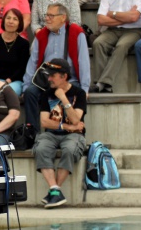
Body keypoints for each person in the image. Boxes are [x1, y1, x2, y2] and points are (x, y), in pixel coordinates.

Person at [22, 3, 90, 132]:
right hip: (47, 80)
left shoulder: (76, 32)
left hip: (69, 80)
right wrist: (26, 86)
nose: (47, 18)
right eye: (46, 15)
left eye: (51, 16)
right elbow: (33, 61)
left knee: (77, 93)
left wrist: (85, 87)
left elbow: (84, 61)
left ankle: (73, 131)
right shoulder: (42, 35)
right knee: (30, 92)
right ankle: (31, 133)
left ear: (63, 17)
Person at [33, 58, 87, 209]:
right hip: (50, 134)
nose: (49, 78)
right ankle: (55, 190)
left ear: (64, 76)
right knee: (41, 148)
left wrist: (63, 98)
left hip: (74, 136)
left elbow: (76, 119)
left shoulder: (79, 93)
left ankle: (54, 192)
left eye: (52, 75)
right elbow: (44, 122)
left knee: (70, 150)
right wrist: (66, 126)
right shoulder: (46, 94)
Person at [90, 0, 141, 93]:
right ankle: (103, 85)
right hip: (112, 31)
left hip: (134, 30)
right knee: (98, 43)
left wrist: (112, 14)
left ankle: (103, 83)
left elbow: (134, 18)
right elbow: (101, 20)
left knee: (121, 46)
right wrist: (125, 17)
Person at [0, 8, 30, 95]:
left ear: (19, 24)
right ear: (4, 21)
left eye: (15, 19)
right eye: (8, 18)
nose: (11, 21)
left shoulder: (24, 44)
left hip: (14, 81)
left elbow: (22, 68)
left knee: (8, 93)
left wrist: (8, 81)